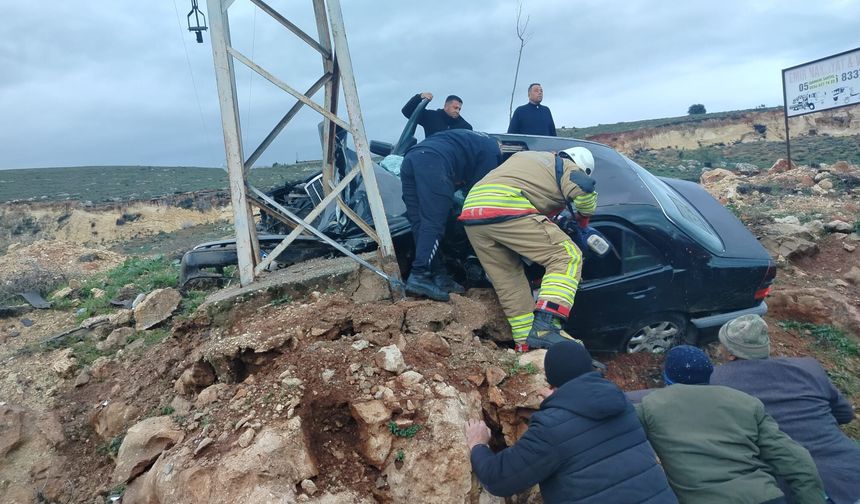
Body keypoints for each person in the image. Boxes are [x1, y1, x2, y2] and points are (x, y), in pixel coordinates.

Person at [465, 340, 678, 504]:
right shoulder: (622, 405)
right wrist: (561, 403)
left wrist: (478, 445)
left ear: (551, 380)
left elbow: (499, 480)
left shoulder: (550, 429)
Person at [635, 345, 826, 504]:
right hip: (764, 496)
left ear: (666, 375)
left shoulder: (650, 407)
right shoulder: (746, 402)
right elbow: (798, 462)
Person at [709, 314, 860, 504]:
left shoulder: (718, 380)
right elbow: (845, 414)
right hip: (851, 473)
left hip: (796, 490)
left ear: (731, 354)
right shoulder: (808, 368)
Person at [458, 147, 597, 352]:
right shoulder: (567, 166)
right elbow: (584, 188)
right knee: (567, 255)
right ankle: (547, 325)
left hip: (472, 212)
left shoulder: (530, 158)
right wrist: (583, 219)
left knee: (509, 281)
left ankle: (525, 343)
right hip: (505, 205)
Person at [401, 129, 501, 302]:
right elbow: (479, 190)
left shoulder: (469, 139)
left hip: (411, 159)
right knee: (434, 222)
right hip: (434, 162)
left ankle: (440, 276)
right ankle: (419, 275)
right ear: (501, 146)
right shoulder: (492, 150)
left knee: (420, 223)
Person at [401, 92, 472, 137]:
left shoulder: (465, 127)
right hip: (431, 153)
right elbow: (407, 111)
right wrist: (419, 97)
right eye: (455, 108)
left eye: (459, 109)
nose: (457, 111)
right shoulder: (431, 117)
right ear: (446, 106)